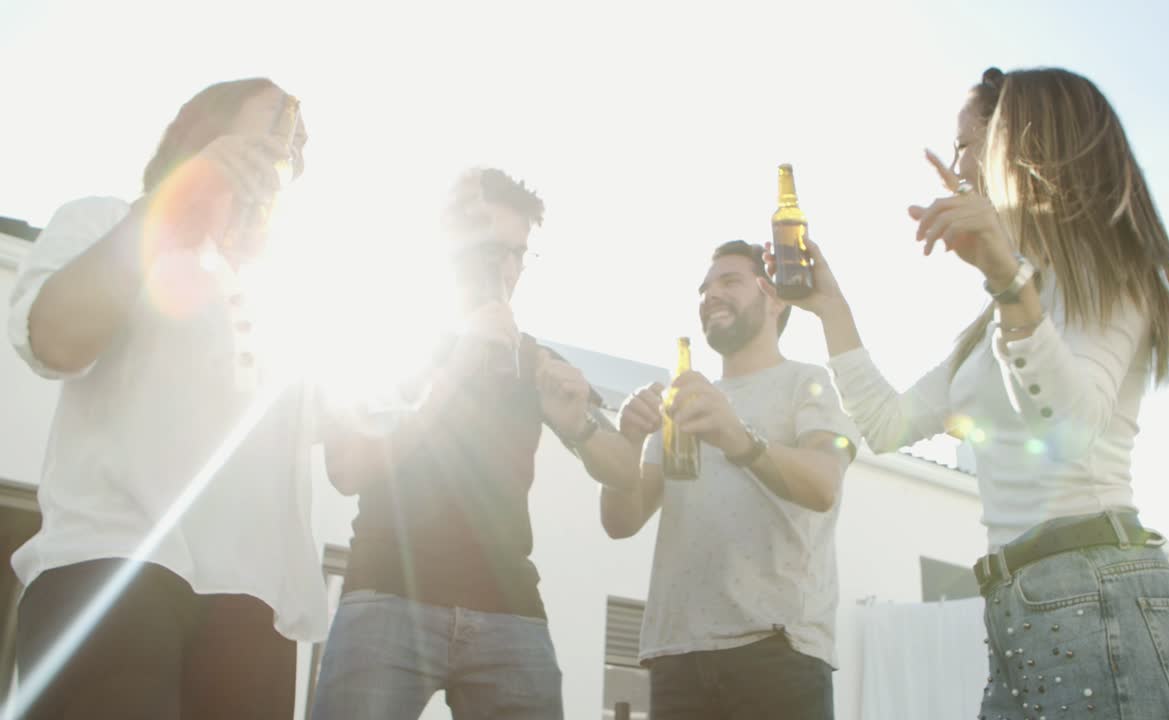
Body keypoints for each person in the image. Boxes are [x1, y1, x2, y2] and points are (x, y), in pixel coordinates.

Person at [767, 67, 1169, 719]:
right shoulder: (995, 324)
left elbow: (1072, 429)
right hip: (1017, 611)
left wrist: (1008, 280)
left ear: (1022, 146)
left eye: (967, 145)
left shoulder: (1108, 276)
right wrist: (831, 308)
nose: (957, 168)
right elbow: (887, 425)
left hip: (1100, 595)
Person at [7, 77, 323, 719]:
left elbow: (356, 449)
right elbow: (55, 341)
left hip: (254, 605)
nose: (286, 152)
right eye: (275, 127)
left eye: (297, 147)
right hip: (109, 565)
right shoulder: (102, 219)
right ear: (202, 135)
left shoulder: (289, 301)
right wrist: (175, 206)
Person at [310, 167, 635, 720]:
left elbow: (625, 471)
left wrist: (579, 427)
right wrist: (457, 366)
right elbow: (347, 469)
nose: (506, 269)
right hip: (388, 594)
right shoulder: (384, 340)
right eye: (491, 250)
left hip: (510, 612)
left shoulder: (531, 360)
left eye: (518, 254)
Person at [590, 240, 858, 720]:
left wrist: (738, 437)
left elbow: (824, 485)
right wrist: (628, 441)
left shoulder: (808, 383)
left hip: (777, 651)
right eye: (704, 287)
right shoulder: (682, 401)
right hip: (676, 656)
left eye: (729, 281)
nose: (710, 295)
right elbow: (620, 521)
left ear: (774, 299)